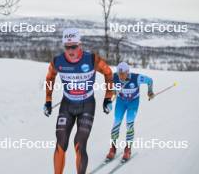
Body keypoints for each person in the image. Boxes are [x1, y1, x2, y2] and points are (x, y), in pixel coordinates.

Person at [43, 28, 113, 174]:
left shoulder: (92, 59)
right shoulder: (57, 61)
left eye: (73, 46)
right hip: (67, 105)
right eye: (67, 47)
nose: (70, 50)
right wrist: (48, 100)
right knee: (61, 142)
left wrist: (107, 97)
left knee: (79, 143)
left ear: (80, 45)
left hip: (87, 105)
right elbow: (50, 78)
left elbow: (108, 73)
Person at [106, 62, 155, 161]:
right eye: (120, 74)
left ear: (128, 72)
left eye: (123, 74)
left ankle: (127, 149)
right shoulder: (114, 77)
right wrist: (111, 98)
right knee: (116, 122)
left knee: (129, 123)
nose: (121, 76)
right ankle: (113, 148)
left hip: (133, 103)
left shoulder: (137, 78)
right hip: (121, 102)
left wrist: (150, 92)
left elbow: (150, 80)